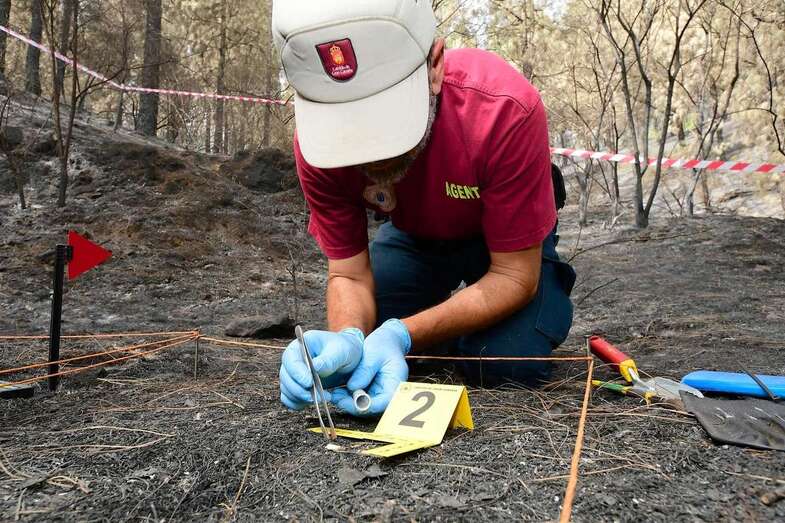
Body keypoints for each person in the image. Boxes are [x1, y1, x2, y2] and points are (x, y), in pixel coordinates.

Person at [273, 0, 576, 416]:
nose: (370, 154)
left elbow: (512, 275)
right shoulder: (316, 147)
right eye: (349, 127)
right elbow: (348, 274)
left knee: (508, 361)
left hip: (506, 238)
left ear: (434, 65)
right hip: (415, 234)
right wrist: (349, 339)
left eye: (384, 119)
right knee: (362, 355)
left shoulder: (504, 109)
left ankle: (473, 328)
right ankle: (447, 326)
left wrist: (403, 334)